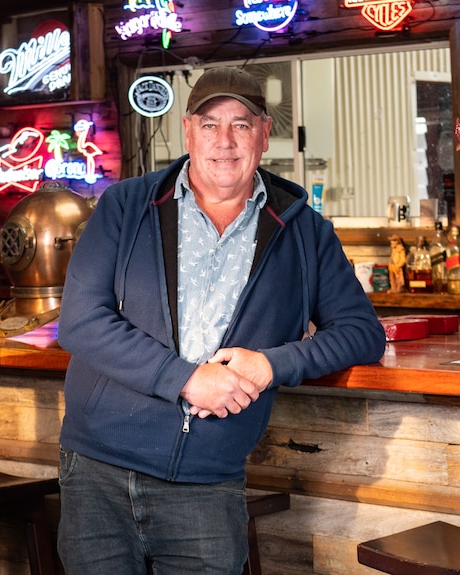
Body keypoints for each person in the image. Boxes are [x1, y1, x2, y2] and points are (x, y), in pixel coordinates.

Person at [55, 66, 386, 574]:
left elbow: (363, 334)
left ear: (263, 133)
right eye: (210, 124)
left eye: (241, 124)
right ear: (188, 130)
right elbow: (79, 321)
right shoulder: (126, 205)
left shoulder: (304, 229)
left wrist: (270, 365)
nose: (224, 141)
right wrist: (186, 378)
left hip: (207, 484)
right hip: (98, 472)